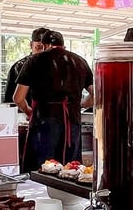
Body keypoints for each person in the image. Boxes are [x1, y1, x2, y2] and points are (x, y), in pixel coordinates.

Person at [13, 30, 94, 172]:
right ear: (63, 45)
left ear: (44, 45)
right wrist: (79, 104)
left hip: (44, 122)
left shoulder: (34, 61)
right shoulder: (80, 61)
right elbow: (97, 95)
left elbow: (18, 98)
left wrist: (27, 110)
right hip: (72, 123)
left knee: (42, 167)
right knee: (71, 167)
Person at [3, 27, 48, 104]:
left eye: (47, 49)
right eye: (39, 47)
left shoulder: (56, 66)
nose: (43, 52)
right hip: (24, 113)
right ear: (31, 45)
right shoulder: (18, 67)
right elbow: (9, 99)